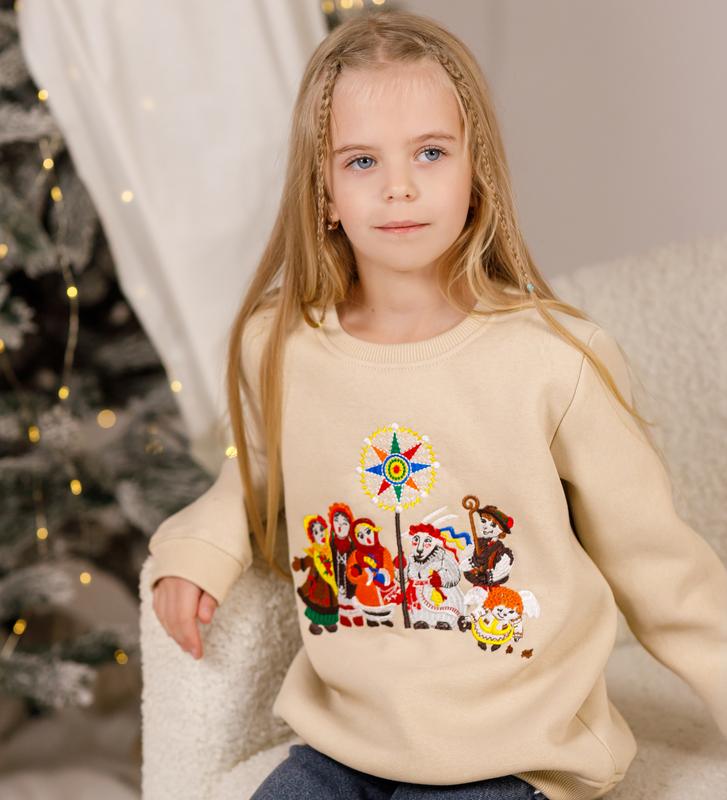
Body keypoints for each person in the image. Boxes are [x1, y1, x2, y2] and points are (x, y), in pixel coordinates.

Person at [147, 9, 727, 800]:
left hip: (515, 748)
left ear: (474, 171)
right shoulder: (281, 347)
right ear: (323, 191)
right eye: (361, 161)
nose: (399, 186)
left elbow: (657, 566)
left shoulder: (551, 360)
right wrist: (194, 553)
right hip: (344, 745)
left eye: (429, 152)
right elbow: (249, 477)